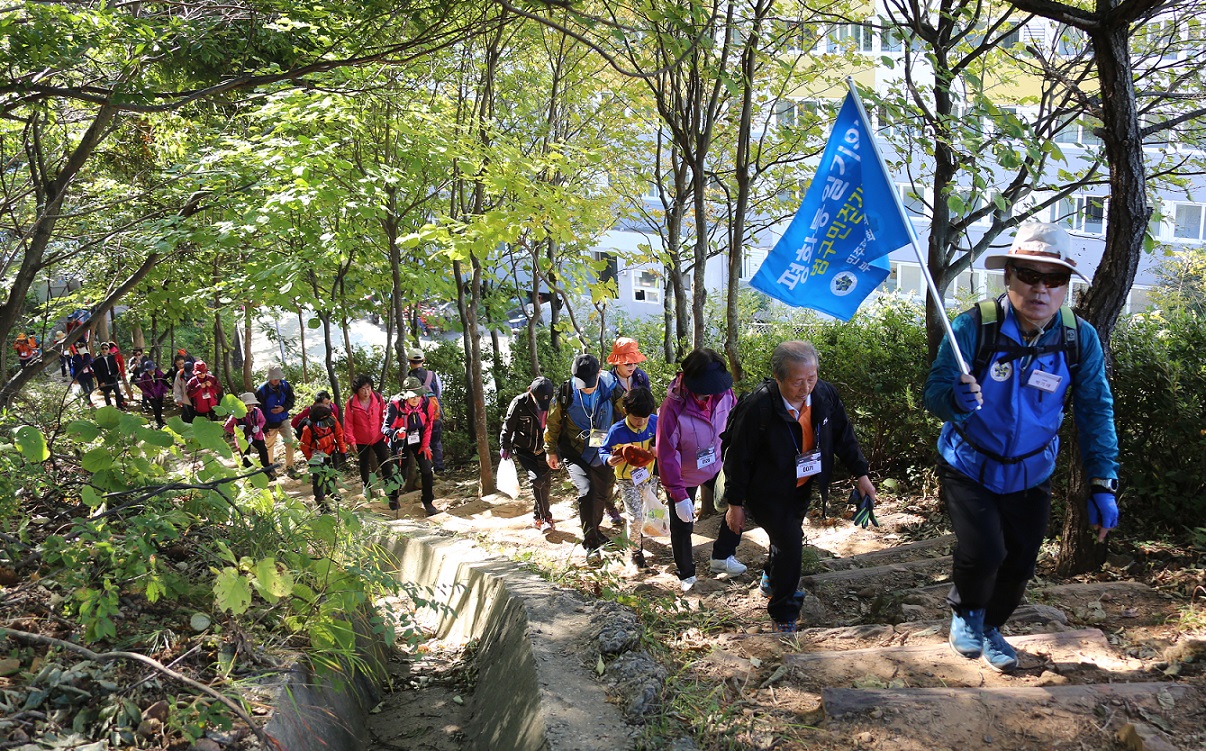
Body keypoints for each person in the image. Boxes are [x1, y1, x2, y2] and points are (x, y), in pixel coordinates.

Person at [924, 222, 1120, 672]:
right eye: (1029, 276)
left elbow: (1095, 409)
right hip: (969, 463)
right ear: (1008, 277)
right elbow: (934, 393)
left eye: (1054, 279)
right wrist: (954, 398)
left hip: (1032, 470)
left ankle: (992, 626)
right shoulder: (974, 327)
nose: (1041, 289)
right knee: (984, 551)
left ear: (1065, 287)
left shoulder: (1077, 338)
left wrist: (1102, 481)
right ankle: (967, 613)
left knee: (1021, 561)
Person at [721, 341, 877, 632]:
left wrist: (861, 474)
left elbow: (844, 435)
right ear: (779, 378)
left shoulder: (824, 395)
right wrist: (735, 504)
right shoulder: (759, 406)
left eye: (812, 378)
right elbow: (738, 458)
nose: (806, 387)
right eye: (797, 381)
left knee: (785, 541)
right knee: (792, 543)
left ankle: (770, 576)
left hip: (802, 484)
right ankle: (784, 612)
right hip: (765, 491)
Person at [656, 349, 742, 591]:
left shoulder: (724, 394)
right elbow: (666, 452)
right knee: (682, 524)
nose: (711, 392)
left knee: (736, 502)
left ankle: (722, 556)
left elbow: (734, 423)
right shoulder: (673, 407)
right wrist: (677, 493)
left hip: (715, 464)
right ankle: (686, 573)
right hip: (683, 475)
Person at [545, 353, 624, 555]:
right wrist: (550, 451)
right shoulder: (565, 392)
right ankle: (590, 543)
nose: (586, 386)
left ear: (600, 372)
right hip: (575, 450)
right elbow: (552, 424)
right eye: (582, 382)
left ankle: (595, 531)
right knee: (587, 491)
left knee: (602, 493)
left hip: (604, 450)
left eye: (590, 382)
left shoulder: (612, 388)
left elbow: (626, 413)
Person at [603, 386, 659, 569]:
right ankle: (636, 552)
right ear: (626, 412)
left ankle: (644, 536)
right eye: (636, 418)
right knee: (635, 517)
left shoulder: (655, 423)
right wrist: (609, 460)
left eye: (645, 417)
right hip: (627, 480)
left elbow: (669, 441)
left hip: (650, 478)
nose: (641, 422)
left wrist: (659, 450)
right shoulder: (617, 430)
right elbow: (602, 450)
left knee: (649, 512)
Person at [500, 376, 556, 532]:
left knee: (545, 485)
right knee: (536, 480)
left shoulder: (554, 404)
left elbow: (558, 427)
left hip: (544, 449)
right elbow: (508, 425)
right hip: (524, 449)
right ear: (529, 391)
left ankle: (537, 517)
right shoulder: (519, 403)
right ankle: (546, 519)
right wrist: (504, 446)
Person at [383, 382, 439, 516]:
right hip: (401, 439)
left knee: (426, 468)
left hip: (419, 437)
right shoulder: (395, 405)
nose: (415, 399)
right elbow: (385, 428)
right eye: (412, 396)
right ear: (405, 395)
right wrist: (396, 434)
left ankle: (428, 501)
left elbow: (428, 424)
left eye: (418, 395)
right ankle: (393, 497)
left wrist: (425, 445)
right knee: (401, 473)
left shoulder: (425, 403)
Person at [344, 375, 393, 499]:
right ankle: (366, 485)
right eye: (362, 389)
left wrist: (388, 431)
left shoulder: (377, 398)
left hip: (378, 435)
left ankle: (389, 485)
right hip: (361, 439)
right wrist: (351, 440)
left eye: (368, 388)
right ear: (357, 390)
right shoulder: (351, 404)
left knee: (384, 460)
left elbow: (385, 415)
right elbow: (348, 423)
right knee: (364, 463)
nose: (366, 392)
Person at [299, 403, 348, 512]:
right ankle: (320, 499)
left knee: (333, 471)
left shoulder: (333, 421)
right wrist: (311, 460)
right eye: (323, 423)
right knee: (318, 478)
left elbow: (339, 434)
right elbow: (304, 447)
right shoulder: (308, 430)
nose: (326, 426)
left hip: (330, 451)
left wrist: (342, 450)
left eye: (327, 422)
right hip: (316, 455)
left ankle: (330, 490)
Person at [406, 349, 445, 472]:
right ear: (423, 360)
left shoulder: (408, 380)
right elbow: (438, 393)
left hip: (417, 417)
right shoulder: (432, 375)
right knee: (436, 441)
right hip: (434, 413)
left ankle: (426, 469)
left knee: (420, 443)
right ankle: (439, 469)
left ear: (409, 362)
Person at [256, 366, 298, 478]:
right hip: (269, 422)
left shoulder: (285, 386)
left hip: (283, 419)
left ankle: (290, 467)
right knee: (269, 446)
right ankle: (270, 468)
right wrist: (264, 426)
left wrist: (283, 408)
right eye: (275, 378)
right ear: (269, 378)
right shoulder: (262, 390)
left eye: (278, 378)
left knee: (289, 442)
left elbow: (291, 399)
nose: (277, 380)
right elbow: (259, 410)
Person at [225, 392, 272, 477]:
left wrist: (259, 427)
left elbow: (263, 421)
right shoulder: (236, 415)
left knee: (263, 452)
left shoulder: (257, 411)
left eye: (252, 404)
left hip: (257, 436)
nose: (250, 407)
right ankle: (251, 476)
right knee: (246, 457)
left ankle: (267, 473)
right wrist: (237, 430)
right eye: (247, 405)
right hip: (243, 439)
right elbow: (227, 427)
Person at [134, 360, 171, 428]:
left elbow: (165, 382)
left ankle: (160, 420)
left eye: (152, 369)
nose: (151, 371)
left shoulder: (159, 374)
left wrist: (164, 392)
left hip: (160, 394)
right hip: (151, 396)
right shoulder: (144, 377)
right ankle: (158, 422)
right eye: (149, 369)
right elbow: (143, 388)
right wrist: (149, 395)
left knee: (160, 407)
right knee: (156, 408)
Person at [93, 342, 127, 409]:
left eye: (106, 348)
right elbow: (97, 372)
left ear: (108, 349)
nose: (104, 350)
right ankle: (109, 407)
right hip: (104, 379)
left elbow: (115, 367)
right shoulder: (97, 359)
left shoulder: (111, 357)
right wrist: (101, 381)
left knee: (117, 392)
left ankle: (119, 405)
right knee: (106, 394)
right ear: (101, 350)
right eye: (103, 348)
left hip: (113, 377)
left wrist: (117, 376)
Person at [171, 355, 194, 422]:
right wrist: (178, 399)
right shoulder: (180, 374)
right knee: (187, 417)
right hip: (185, 398)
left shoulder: (198, 373)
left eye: (182, 363)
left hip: (197, 399)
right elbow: (177, 387)